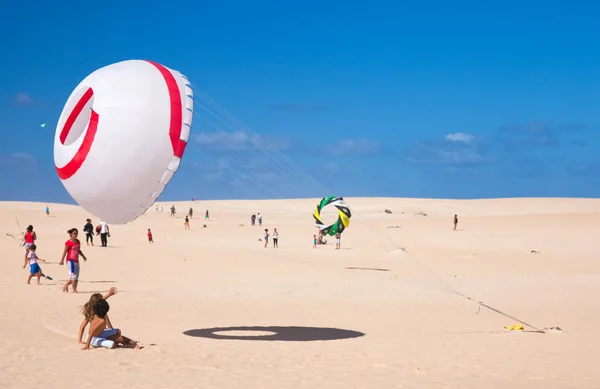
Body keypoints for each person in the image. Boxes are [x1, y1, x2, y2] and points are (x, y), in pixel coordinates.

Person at [59, 228, 88, 293]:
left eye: (76, 233)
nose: (76, 235)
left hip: (76, 260)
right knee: (74, 275)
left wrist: (83, 256)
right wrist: (62, 260)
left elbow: (78, 250)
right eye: (74, 233)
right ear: (71, 234)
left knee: (76, 276)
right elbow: (65, 251)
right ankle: (74, 290)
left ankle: (66, 285)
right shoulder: (68, 242)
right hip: (70, 260)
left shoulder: (78, 241)